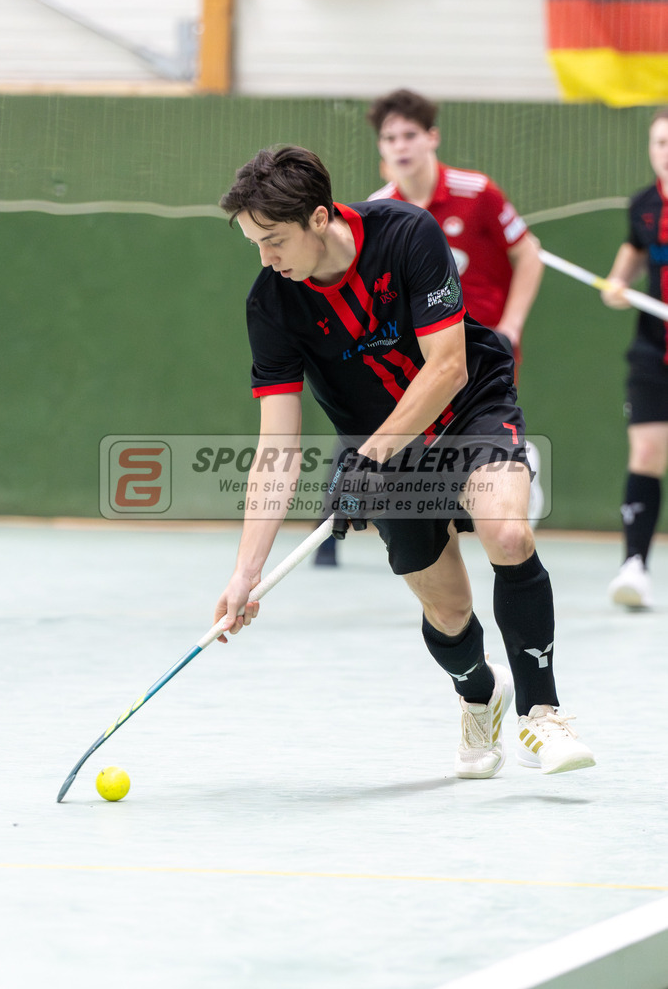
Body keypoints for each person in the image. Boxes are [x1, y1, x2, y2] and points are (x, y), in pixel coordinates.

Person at [214, 144, 595, 778]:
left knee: (506, 529)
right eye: (255, 243)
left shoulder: (407, 234)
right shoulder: (271, 305)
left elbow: (447, 368)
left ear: (317, 218)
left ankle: (541, 714)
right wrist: (245, 574)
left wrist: (366, 457)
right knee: (446, 612)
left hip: (468, 409)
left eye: (273, 240)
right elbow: (276, 448)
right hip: (386, 454)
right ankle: (481, 696)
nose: (266, 259)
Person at [315, 89, 544, 566]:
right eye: (390, 137)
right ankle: (337, 527)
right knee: (382, 430)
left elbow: (529, 255)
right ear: (380, 149)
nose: (401, 145)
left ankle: (500, 497)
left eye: (410, 135)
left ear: (431, 138)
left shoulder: (476, 192)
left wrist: (512, 325)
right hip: (412, 356)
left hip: (479, 354)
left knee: (473, 443)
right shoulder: (376, 210)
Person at [602, 107, 668, 610]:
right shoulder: (644, 205)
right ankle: (634, 566)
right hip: (653, 349)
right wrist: (617, 286)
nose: (665, 152)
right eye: (660, 143)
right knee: (645, 454)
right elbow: (624, 267)